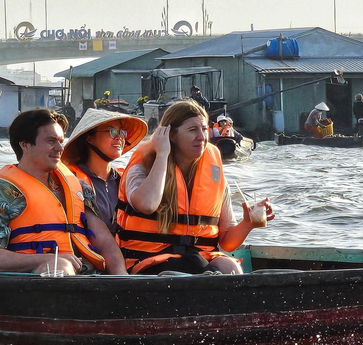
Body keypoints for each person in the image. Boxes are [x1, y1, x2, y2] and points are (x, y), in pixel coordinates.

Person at [116, 100, 273, 275]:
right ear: (171, 135)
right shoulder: (142, 167)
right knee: (193, 265)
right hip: (148, 260)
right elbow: (146, 204)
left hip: (197, 259)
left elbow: (227, 242)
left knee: (231, 268)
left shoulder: (214, 174)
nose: (202, 137)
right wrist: (162, 154)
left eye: (205, 129)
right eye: (193, 130)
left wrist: (247, 223)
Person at [0, 109, 128, 275]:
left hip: (86, 276)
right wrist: (47, 259)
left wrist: (123, 279)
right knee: (60, 266)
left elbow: (105, 242)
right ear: (25, 144)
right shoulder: (5, 191)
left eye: (61, 141)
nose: (60, 148)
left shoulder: (78, 186)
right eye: (51, 141)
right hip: (36, 279)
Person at [61, 108, 148, 234]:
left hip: (123, 250)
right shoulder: (71, 179)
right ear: (89, 138)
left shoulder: (123, 179)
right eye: (112, 132)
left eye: (122, 133)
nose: (119, 138)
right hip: (88, 251)